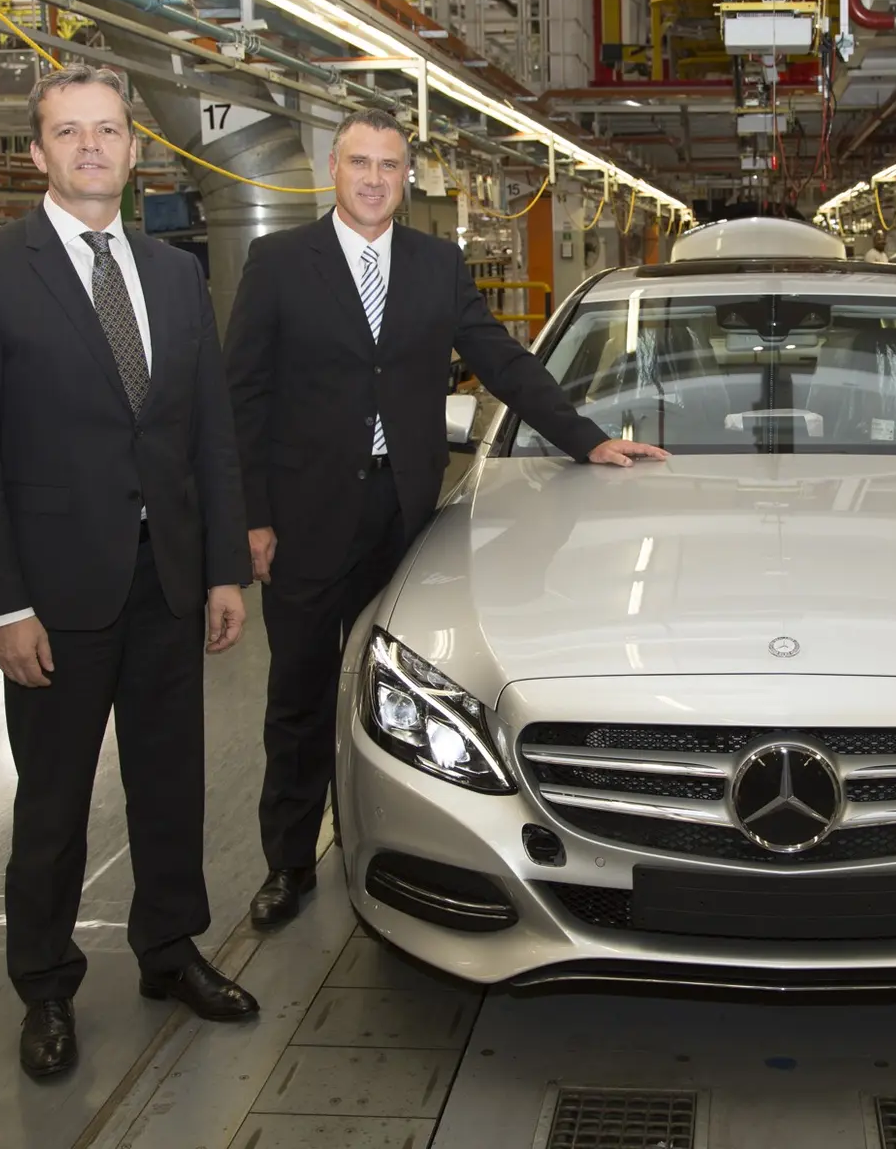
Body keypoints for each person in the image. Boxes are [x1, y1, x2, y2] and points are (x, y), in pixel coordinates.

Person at [224, 108, 669, 929]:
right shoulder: (279, 262)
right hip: (305, 513)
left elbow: (501, 359)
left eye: (389, 165)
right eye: (360, 163)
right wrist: (251, 518)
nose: (374, 179)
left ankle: (390, 838)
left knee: (406, 690)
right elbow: (242, 395)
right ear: (333, 169)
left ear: (407, 177)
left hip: (404, 514)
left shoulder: (436, 263)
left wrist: (587, 439)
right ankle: (288, 862)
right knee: (300, 693)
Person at [0, 64, 259, 1081]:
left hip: (167, 580)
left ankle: (169, 949)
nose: (90, 146)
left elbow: (207, 435)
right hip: (56, 593)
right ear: (38, 152)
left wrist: (221, 569)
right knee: (53, 803)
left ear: (133, 148)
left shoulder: (174, 275)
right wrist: (6, 603)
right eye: (69, 131)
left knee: (171, 783)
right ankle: (45, 984)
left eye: (107, 129)